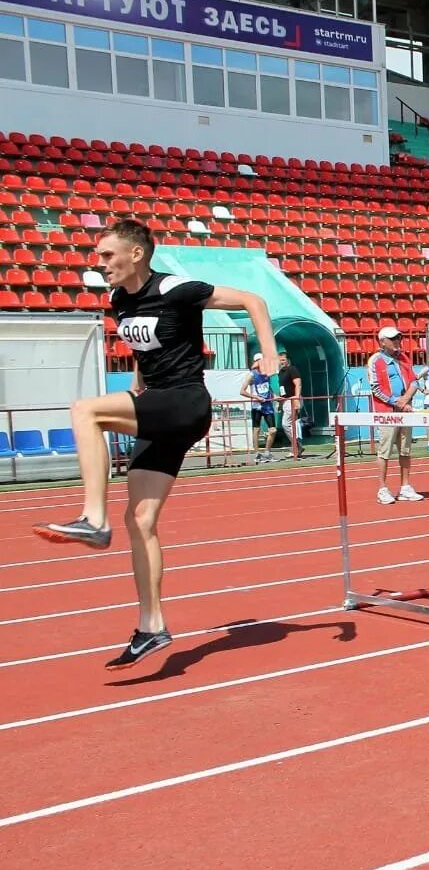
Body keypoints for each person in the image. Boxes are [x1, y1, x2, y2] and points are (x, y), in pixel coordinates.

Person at [32, 219, 277, 669]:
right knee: (141, 520)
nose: (100, 263)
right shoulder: (120, 300)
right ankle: (151, 627)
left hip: (186, 402)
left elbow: (252, 299)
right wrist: (134, 391)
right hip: (158, 406)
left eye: (107, 255)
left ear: (136, 254)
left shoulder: (176, 288)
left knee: (85, 410)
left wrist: (269, 355)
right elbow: (145, 356)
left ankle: (92, 518)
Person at [368, 325, 423, 504]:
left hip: (404, 410)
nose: (398, 341)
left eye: (399, 338)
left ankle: (405, 487)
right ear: (383, 342)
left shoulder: (403, 358)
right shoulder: (375, 360)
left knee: (405, 449)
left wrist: (405, 400)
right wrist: (396, 402)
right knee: (385, 451)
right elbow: (376, 388)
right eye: (393, 339)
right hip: (387, 413)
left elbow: (414, 381)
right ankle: (382, 488)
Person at [241, 353, 276, 464]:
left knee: (273, 430)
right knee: (256, 430)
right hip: (257, 406)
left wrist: (275, 397)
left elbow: (268, 388)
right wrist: (256, 397)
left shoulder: (267, 374)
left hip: (268, 405)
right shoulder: (251, 375)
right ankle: (257, 454)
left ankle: (267, 453)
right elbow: (242, 391)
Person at [277, 353, 303, 458]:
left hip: (292, 399)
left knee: (285, 424)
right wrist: (280, 402)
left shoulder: (292, 369)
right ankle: (296, 446)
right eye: (280, 360)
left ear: (288, 360)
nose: (282, 362)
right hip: (286, 400)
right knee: (289, 424)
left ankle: (296, 446)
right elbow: (282, 389)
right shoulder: (280, 372)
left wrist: (296, 398)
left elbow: (298, 384)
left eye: (283, 360)